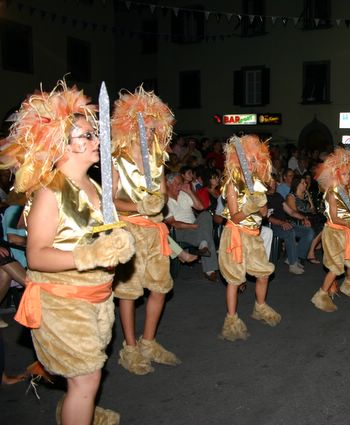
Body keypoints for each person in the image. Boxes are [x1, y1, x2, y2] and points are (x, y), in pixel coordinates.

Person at [1, 81, 134, 424]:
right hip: (62, 304)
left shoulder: (94, 185)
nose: (97, 140)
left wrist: (117, 240)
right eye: (87, 136)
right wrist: (92, 256)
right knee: (86, 380)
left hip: (96, 298)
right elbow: (37, 256)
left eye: (95, 134)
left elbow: (97, 234)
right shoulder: (51, 192)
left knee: (87, 379)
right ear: (62, 143)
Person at [111, 86, 181, 375]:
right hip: (129, 230)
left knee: (160, 287)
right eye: (146, 128)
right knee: (128, 292)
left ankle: (149, 342)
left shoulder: (157, 158)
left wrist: (157, 202)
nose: (151, 134)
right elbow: (109, 201)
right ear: (131, 126)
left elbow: (162, 196)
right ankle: (130, 348)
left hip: (155, 231)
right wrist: (138, 206)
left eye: (154, 129)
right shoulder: (118, 158)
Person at [218, 135, 281, 341]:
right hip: (236, 234)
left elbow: (264, 214)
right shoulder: (231, 185)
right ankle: (231, 318)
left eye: (254, 160)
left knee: (263, 274)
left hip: (254, 236)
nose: (251, 164)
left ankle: (260, 307)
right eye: (247, 160)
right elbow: (235, 217)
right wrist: (249, 207)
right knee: (234, 280)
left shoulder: (258, 184)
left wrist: (260, 204)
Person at [311, 148, 350, 312]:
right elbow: (335, 218)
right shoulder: (332, 193)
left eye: (349, 174)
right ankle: (321, 294)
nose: (347, 177)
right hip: (334, 232)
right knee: (335, 267)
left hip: (346, 231)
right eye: (343, 174)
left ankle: (348, 284)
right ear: (335, 175)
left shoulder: (349, 191)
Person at [165, 172, 218, 281]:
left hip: (195, 226)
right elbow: (173, 223)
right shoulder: (164, 201)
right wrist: (193, 226)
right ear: (168, 184)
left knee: (206, 214)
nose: (180, 186)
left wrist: (189, 191)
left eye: (181, 184)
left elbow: (200, 207)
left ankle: (203, 244)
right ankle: (209, 269)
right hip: (180, 231)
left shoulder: (183, 194)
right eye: (177, 184)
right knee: (206, 234)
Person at [266, 178, 314, 274]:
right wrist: (281, 223)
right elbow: (266, 217)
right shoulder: (263, 197)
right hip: (272, 226)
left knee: (309, 231)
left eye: (275, 183)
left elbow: (291, 212)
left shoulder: (278, 196)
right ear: (266, 184)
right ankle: (293, 264)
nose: (275, 184)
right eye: (272, 183)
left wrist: (304, 218)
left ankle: (295, 257)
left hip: (285, 223)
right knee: (289, 232)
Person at [285, 175, 324, 264]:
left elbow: (313, 210)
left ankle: (310, 251)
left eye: (305, 183)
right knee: (316, 225)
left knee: (323, 224)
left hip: (308, 217)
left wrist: (310, 200)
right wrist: (305, 218)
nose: (305, 185)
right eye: (303, 183)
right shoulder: (291, 197)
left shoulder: (306, 194)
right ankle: (309, 252)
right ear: (297, 185)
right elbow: (293, 213)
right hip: (297, 220)